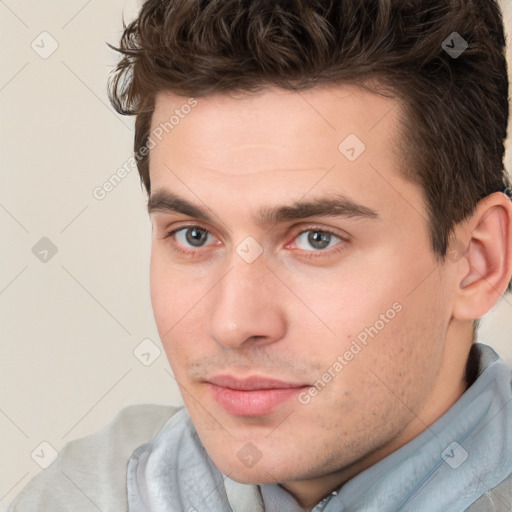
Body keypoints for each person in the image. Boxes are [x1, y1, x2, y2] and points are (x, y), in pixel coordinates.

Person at [5, 0, 512, 511]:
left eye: (316, 238)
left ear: (476, 261)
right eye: (194, 236)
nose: (233, 323)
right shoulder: (78, 493)